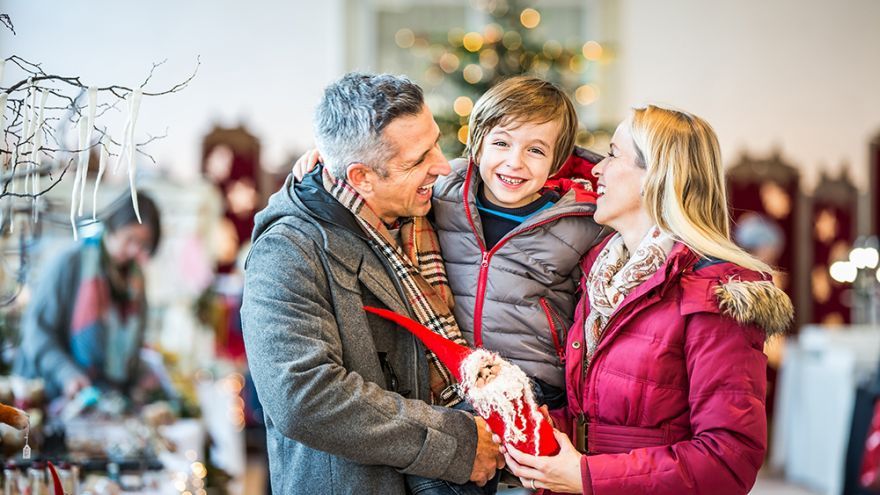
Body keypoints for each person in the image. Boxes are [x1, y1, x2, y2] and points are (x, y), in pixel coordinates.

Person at [291, 75, 606, 495]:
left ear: (557, 160)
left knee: (522, 478)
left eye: (536, 151)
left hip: (533, 379)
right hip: (458, 376)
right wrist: (322, 162)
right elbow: (366, 173)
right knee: (452, 471)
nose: (515, 162)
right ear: (477, 143)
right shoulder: (447, 189)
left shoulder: (581, 222)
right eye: (501, 144)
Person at [502, 105, 794, 495]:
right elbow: (601, 418)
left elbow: (728, 460)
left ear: (654, 175)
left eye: (611, 154)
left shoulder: (714, 292)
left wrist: (587, 477)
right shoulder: (601, 277)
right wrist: (538, 427)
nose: (596, 170)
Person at [240, 73, 503, 494]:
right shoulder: (287, 251)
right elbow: (305, 398)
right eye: (417, 160)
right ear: (360, 177)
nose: (441, 164)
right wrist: (455, 445)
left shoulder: (430, 213)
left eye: (436, 141)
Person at [14, 191, 161, 401]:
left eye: (143, 244)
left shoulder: (135, 280)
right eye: (130, 239)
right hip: (48, 395)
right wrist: (67, 374)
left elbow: (134, 345)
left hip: (101, 401)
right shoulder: (70, 262)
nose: (134, 250)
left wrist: (142, 376)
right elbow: (36, 332)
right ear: (114, 225)